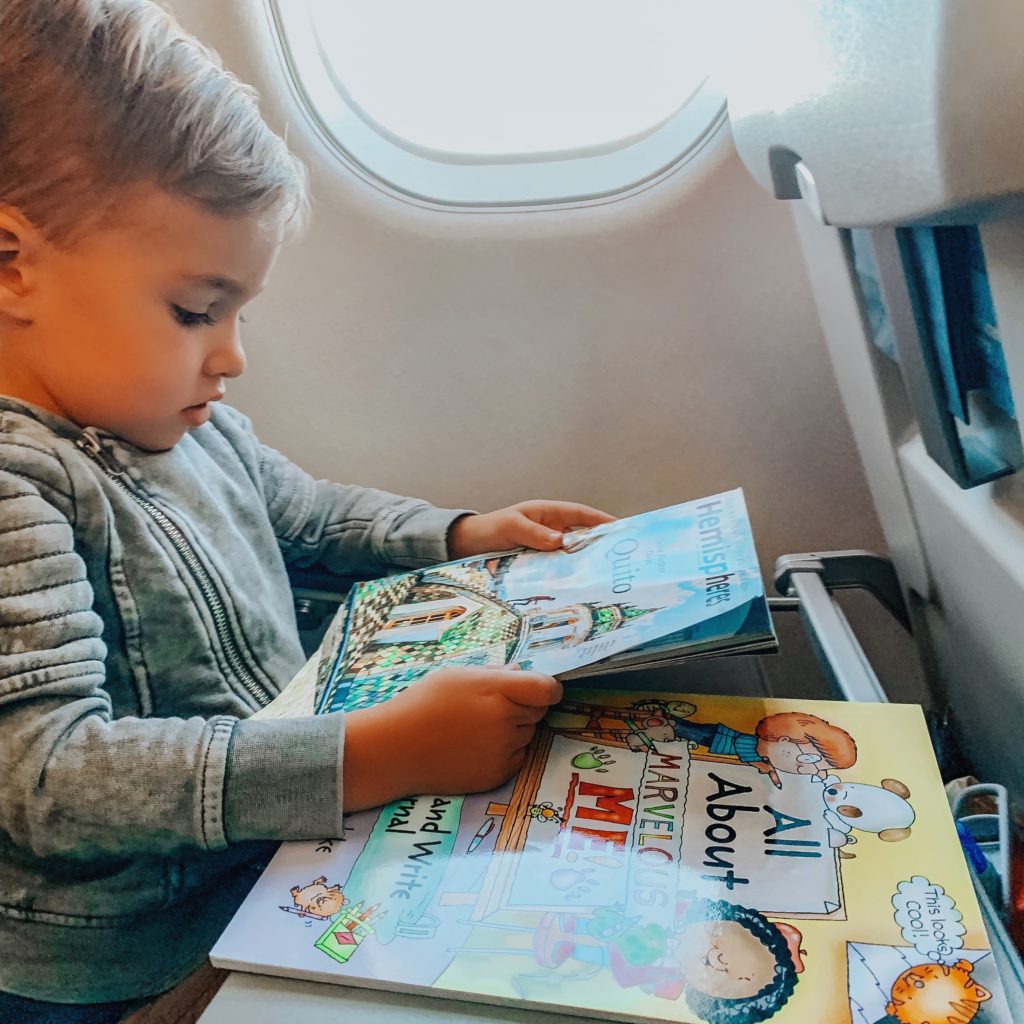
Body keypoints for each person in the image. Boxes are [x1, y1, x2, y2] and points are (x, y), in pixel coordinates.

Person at [0, 2, 614, 1020]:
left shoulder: (182, 424)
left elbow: (307, 514)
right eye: (196, 310)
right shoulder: (18, 487)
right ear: (15, 266)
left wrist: (463, 534)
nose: (231, 352)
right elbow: (52, 775)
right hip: (116, 961)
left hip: (247, 852)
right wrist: (371, 755)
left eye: (239, 312)